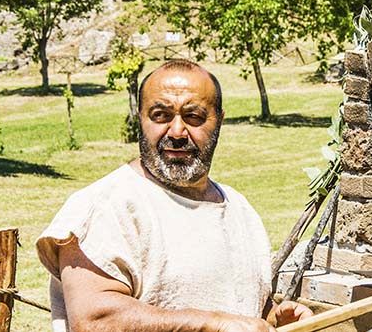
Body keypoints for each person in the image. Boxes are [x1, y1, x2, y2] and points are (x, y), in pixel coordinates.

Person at [36, 59, 312, 332]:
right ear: (140, 119)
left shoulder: (239, 208)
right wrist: (212, 324)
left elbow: (237, 307)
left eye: (193, 117)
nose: (177, 132)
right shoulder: (104, 207)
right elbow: (95, 321)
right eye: (160, 116)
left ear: (219, 121)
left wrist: (272, 320)